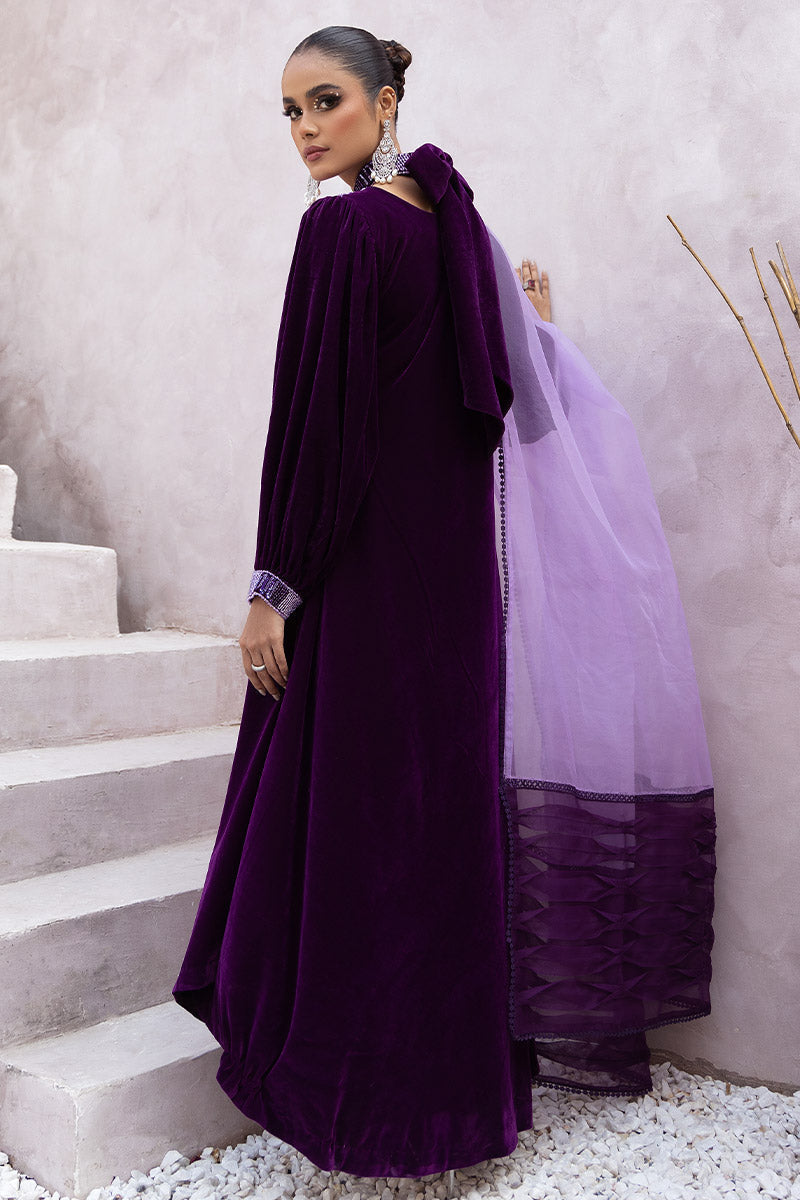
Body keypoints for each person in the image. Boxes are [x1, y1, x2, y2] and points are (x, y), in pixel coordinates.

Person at [173, 24, 715, 1186]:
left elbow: (318, 432)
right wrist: (538, 318)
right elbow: (520, 402)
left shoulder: (343, 230)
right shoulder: (455, 231)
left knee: (351, 830)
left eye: (325, 101)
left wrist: (273, 587)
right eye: (288, 111)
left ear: (384, 102)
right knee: (433, 836)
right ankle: (455, 1106)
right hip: (459, 598)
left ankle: (363, 1108)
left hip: (363, 585)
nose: (304, 129)